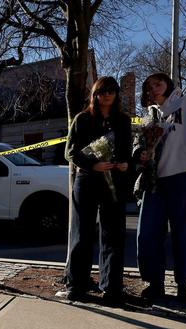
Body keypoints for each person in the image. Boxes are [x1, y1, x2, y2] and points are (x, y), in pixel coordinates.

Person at [134, 73, 186, 302]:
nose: (154, 88)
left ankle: (183, 284)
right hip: (155, 181)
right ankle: (155, 283)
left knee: (185, 233)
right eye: (149, 86)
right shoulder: (148, 116)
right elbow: (139, 145)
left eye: (158, 83)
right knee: (148, 234)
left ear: (168, 84)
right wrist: (140, 154)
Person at [56, 76, 132, 305]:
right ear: (95, 94)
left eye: (111, 90)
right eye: (102, 91)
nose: (107, 94)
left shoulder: (123, 121)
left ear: (117, 94)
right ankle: (76, 285)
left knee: (113, 235)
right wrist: (92, 164)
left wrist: (126, 163)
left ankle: (111, 287)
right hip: (87, 180)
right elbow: (70, 152)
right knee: (82, 234)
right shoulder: (82, 119)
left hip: (113, 182)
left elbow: (128, 151)